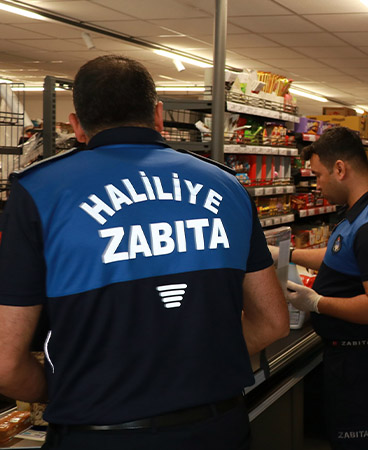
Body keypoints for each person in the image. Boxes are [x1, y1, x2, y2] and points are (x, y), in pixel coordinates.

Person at [0, 55, 289, 449]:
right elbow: (273, 321)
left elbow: (6, 364)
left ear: (76, 125)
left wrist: (71, 387)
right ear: (158, 115)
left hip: (97, 434)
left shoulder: (39, 191)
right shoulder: (226, 186)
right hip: (217, 427)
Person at [277, 126, 368, 450]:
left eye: (318, 176)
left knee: (358, 442)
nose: (317, 185)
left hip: (363, 358)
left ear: (340, 169)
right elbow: (339, 255)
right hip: (350, 355)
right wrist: (286, 254)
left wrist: (317, 302)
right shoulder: (360, 209)